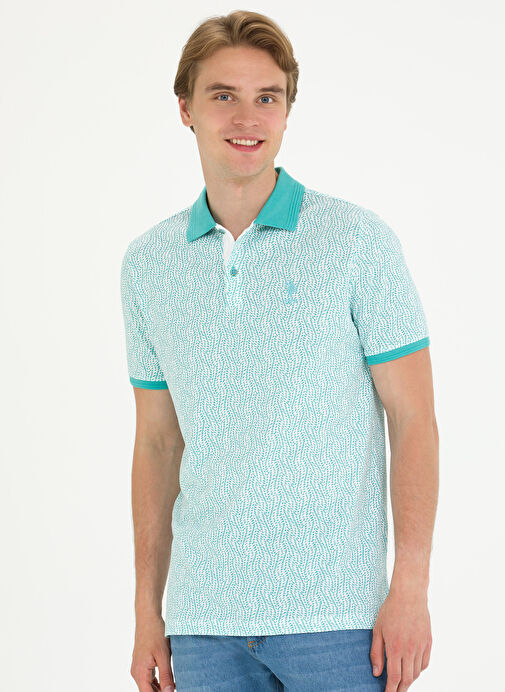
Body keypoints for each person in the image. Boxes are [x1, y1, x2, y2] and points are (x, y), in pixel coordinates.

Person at [120, 10, 439, 692]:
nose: (248, 118)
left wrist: (410, 587)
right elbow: (156, 443)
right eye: (223, 95)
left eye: (267, 97)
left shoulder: (356, 242)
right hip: (202, 625)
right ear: (185, 109)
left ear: (288, 110)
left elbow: (413, 417)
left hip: (339, 620)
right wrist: (148, 612)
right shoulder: (147, 265)